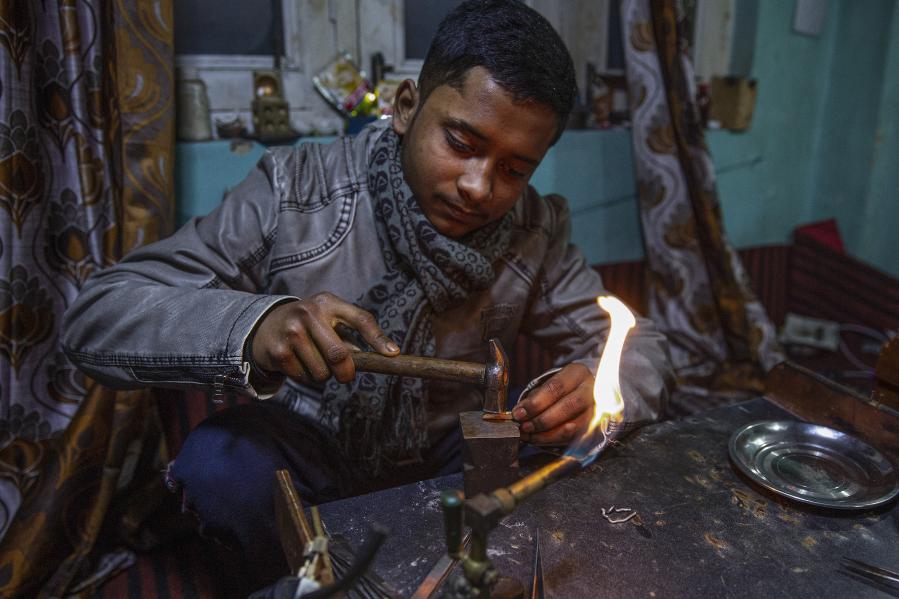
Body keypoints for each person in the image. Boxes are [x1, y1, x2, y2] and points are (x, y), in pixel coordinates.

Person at [63, 0, 672, 593]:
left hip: (444, 452)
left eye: (514, 170)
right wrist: (254, 325)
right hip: (311, 444)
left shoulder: (532, 231)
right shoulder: (293, 191)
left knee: (567, 465)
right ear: (406, 106)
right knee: (220, 464)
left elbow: (641, 345)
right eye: (461, 143)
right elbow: (97, 316)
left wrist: (598, 387)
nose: (478, 186)